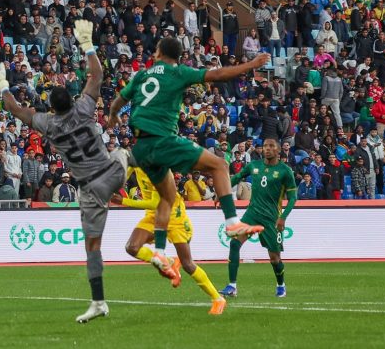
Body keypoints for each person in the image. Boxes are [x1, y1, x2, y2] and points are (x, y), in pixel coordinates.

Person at [0, 19, 128, 323]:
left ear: (51, 107)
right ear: (72, 100)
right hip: (114, 170)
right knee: (134, 151)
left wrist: (1, 82)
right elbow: (98, 74)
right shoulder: (84, 108)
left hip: (91, 188)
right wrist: (87, 44)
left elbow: (15, 109)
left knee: (93, 246)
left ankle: (98, 301)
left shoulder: (47, 124)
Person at [108, 38, 267, 278]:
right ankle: (232, 223)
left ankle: (160, 251)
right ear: (179, 56)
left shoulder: (142, 75)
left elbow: (119, 100)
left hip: (141, 146)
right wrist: (250, 64)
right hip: (163, 140)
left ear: (158, 51)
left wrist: (112, 116)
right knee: (220, 164)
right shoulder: (178, 71)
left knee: (168, 196)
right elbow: (219, 74)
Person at [112, 166, 226, 315]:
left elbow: (155, 202)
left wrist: (124, 201)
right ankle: (168, 261)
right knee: (132, 247)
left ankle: (217, 299)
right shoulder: (136, 159)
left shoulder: (160, 169)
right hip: (153, 215)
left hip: (174, 216)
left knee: (187, 264)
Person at [220, 138, 297, 298]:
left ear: (278, 150)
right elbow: (237, 177)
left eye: (271, 146)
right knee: (234, 243)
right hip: (252, 213)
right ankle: (232, 286)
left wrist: (283, 218)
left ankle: (281, 284)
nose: (267, 149)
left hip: (271, 218)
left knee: (274, 258)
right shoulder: (254, 165)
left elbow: (292, 198)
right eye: (265, 146)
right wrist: (221, 192)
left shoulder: (285, 171)